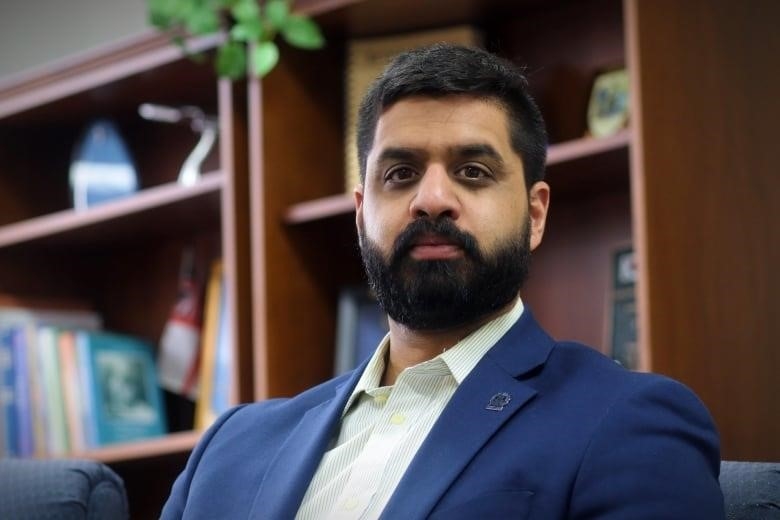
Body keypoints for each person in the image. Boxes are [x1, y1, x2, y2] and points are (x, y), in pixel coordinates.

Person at [161, 44, 724, 519]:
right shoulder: (230, 446)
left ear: (534, 215)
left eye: (473, 172)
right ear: (362, 215)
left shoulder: (627, 420)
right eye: (400, 174)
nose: (432, 199)